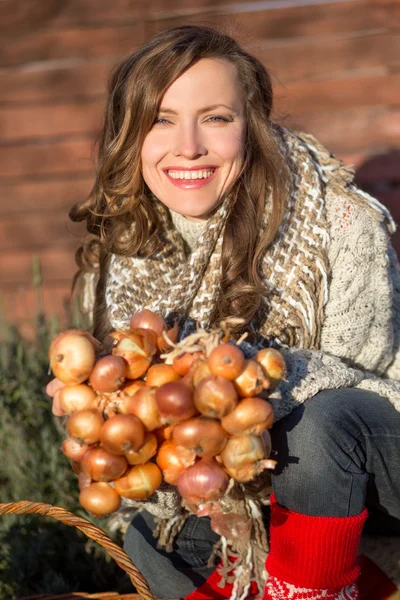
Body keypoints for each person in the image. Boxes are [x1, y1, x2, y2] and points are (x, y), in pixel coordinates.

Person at [46, 25, 400, 600]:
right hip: (252, 483)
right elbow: (148, 434)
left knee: (318, 426)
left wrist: (240, 385)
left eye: (215, 117)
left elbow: (366, 389)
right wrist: (116, 419)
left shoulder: (338, 221)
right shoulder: (123, 251)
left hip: (376, 460)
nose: (188, 146)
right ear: (129, 137)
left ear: (251, 127)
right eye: (160, 120)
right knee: (148, 539)